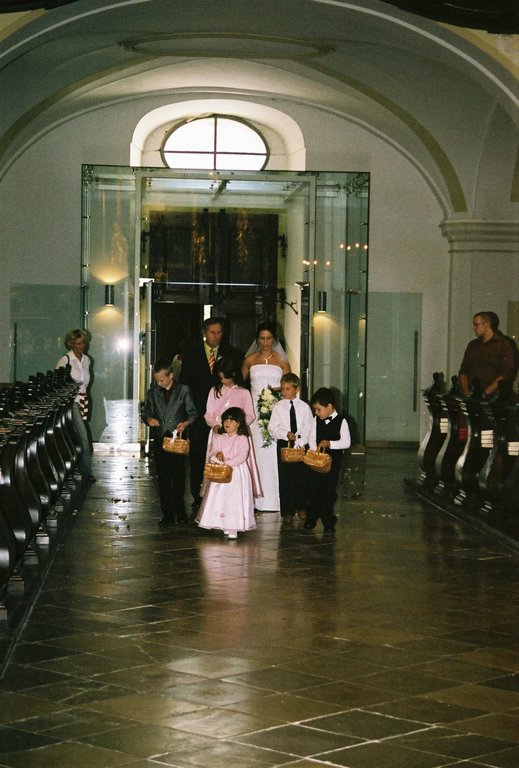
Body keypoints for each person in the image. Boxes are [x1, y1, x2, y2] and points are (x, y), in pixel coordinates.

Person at [179, 317, 243, 514]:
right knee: (198, 455)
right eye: (212, 332)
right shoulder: (192, 354)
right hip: (199, 414)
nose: (216, 336)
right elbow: (185, 385)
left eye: (219, 332)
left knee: (224, 454)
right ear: (204, 333)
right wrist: (186, 413)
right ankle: (198, 495)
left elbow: (239, 383)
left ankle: (223, 494)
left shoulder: (233, 354)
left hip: (225, 416)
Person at [242, 321, 291, 512]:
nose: (265, 342)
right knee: (256, 451)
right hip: (254, 410)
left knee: (272, 452)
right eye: (262, 338)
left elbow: (288, 386)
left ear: (274, 339)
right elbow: (240, 384)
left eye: (268, 338)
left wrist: (272, 394)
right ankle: (256, 498)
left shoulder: (281, 361)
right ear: (257, 339)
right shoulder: (249, 360)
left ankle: (275, 499)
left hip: (274, 408)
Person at [142, 358, 198, 526]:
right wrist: (149, 419)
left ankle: (180, 511)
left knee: (179, 476)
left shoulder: (184, 391)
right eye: (157, 380)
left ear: (171, 375)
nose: (159, 383)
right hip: (161, 439)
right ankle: (167, 513)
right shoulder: (153, 393)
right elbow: (146, 412)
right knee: (163, 478)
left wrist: (186, 423)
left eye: (162, 380)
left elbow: (193, 413)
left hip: (177, 439)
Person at [197, 407, 257, 539]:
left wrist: (228, 463)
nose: (227, 423)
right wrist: (217, 456)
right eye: (225, 420)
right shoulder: (219, 437)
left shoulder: (242, 438)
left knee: (233, 499)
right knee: (219, 498)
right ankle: (219, 522)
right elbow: (213, 451)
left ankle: (233, 526)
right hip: (220, 472)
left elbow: (242, 455)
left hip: (236, 473)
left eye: (231, 420)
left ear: (239, 423)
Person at [268, 372, 313, 525]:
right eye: (283, 389)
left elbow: (309, 426)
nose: (284, 392)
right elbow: (272, 428)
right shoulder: (278, 407)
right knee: (286, 478)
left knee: (302, 477)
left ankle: (302, 507)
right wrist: (285, 434)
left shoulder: (304, 407)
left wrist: (301, 441)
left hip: (301, 444)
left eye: (288, 389)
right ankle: (287, 511)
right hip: (284, 444)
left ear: (296, 389)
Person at [304, 387, 351, 533]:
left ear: (329, 406)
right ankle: (311, 517)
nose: (316, 413)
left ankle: (328, 520)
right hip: (316, 461)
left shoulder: (342, 421)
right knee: (313, 489)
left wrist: (331, 444)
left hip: (333, 463)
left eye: (318, 409)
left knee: (328, 492)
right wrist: (314, 450)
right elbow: (311, 437)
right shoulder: (316, 420)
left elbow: (346, 442)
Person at [55, 328, 95, 482]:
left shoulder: (87, 360)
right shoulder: (65, 360)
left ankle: (75, 468)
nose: (81, 346)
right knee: (83, 436)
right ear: (71, 344)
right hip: (71, 402)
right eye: (78, 343)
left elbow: (85, 383)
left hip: (83, 399)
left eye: (83, 343)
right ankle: (87, 471)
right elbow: (58, 383)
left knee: (76, 436)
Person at [459, 311, 516, 399]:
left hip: (496, 398)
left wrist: (485, 393)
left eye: (476, 325)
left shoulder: (503, 344)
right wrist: (466, 392)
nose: (474, 328)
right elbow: (463, 370)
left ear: (486, 324)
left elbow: (506, 373)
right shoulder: (473, 345)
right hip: (472, 396)